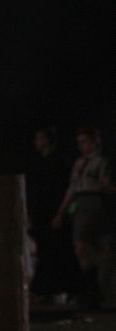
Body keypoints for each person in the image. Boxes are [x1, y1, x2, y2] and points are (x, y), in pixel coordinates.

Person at [53, 127, 112, 310]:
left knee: (88, 246)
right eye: (79, 142)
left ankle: (95, 290)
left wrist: (103, 187)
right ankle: (93, 288)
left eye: (85, 141)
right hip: (79, 204)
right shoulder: (79, 163)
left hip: (93, 201)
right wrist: (61, 212)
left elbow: (105, 183)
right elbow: (72, 188)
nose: (82, 146)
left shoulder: (101, 161)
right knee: (81, 247)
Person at [27, 127, 75, 302]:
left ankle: (61, 288)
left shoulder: (59, 162)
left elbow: (65, 189)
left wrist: (62, 213)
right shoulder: (39, 162)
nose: (36, 142)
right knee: (45, 251)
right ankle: (47, 289)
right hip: (42, 213)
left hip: (53, 211)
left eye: (39, 138)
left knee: (57, 250)